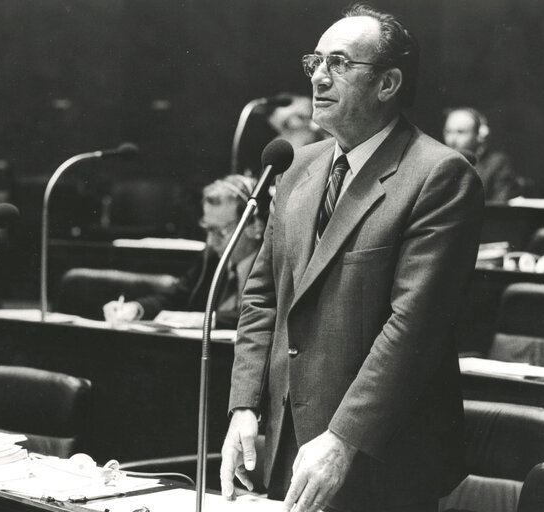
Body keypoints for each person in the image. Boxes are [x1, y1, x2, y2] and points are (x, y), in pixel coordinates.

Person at [220, 4, 484, 512]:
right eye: (315, 61)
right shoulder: (296, 166)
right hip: (283, 446)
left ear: (387, 84)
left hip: (378, 458)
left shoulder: (439, 175)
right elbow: (260, 299)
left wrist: (343, 438)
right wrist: (243, 407)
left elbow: (413, 326)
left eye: (339, 63)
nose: (319, 75)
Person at [102, 174, 264, 329]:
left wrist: (205, 320)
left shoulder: (271, 264)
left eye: (220, 232)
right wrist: (136, 308)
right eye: (208, 229)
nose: (210, 241)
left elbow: (266, 315)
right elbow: (176, 297)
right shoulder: (210, 257)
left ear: (254, 226)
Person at [443, 107, 522, 201]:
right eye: (448, 131)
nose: (452, 140)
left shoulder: (498, 163)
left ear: (480, 135)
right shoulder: (441, 163)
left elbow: (499, 206)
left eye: (461, 132)